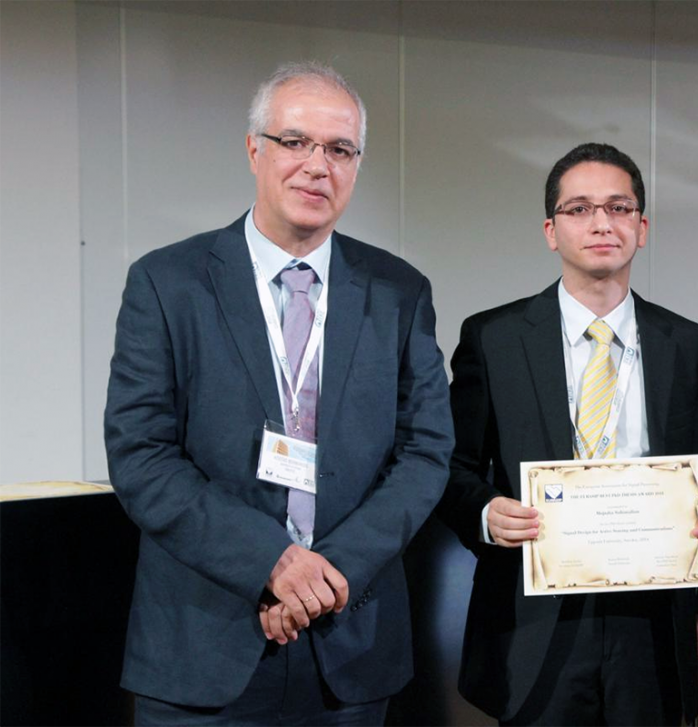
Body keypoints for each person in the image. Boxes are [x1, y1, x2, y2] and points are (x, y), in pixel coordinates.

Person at [104, 61, 453, 725]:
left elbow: (426, 451)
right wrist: (273, 561)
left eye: (340, 148)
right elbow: (140, 455)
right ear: (254, 149)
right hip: (202, 645)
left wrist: (327, 576)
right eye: (295, 141)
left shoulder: (400, 291)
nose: (317, 165)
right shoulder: (166, 283)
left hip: (349, 647)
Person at [438, 142, 698, 727]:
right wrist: (485, 514)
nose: (602, 222)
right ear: (551, 231)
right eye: (579, 209)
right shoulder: (493, 338)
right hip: (534, 619)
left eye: (619, 208)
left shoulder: (690, 344)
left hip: (652, 619)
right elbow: (451, 467)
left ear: (642, 227)